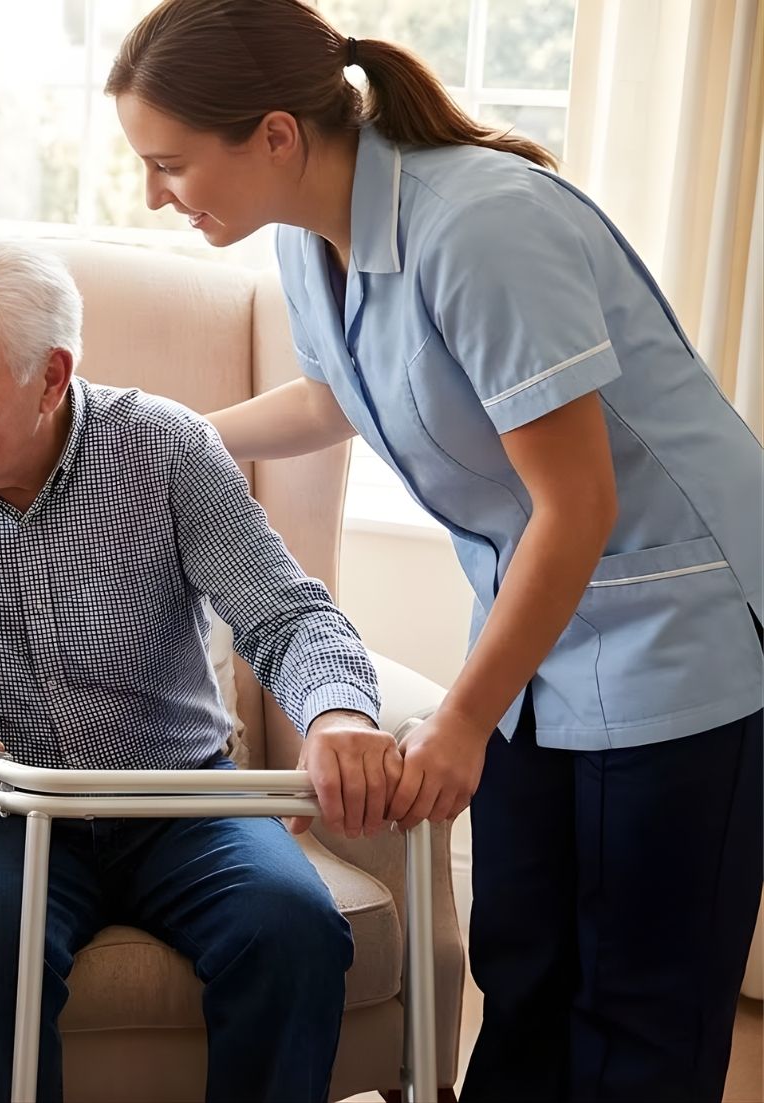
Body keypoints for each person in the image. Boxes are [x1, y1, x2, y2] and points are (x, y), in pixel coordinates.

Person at [105, 3, 764, 1099]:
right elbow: (336, 394)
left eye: (168, 164)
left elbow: (577, 504)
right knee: (525, 967)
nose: (153, 195)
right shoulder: (312, 243)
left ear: (273, 134)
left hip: (674, 631)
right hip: (541, 632)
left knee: (638, 1005)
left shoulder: (481, 227)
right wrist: (163, 441)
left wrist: (459, 719)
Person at [0, 230, 401, 1102]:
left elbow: (288, 617)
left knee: (293, 926)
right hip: (5, 804)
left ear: (51, 376)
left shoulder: (166, 450)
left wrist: (338, 714)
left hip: (179, 794)